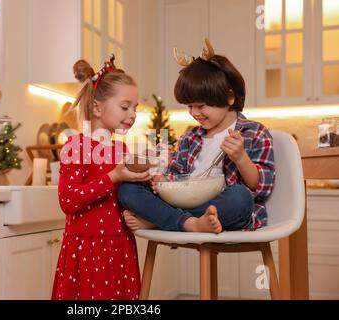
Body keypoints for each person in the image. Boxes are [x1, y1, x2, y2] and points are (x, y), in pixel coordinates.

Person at [118, 38, 275, 234]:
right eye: (190, 106)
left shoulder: (255, 133)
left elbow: (263, 187)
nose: (195, 113)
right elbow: (174, 173)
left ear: (229, 97)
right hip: (184, 200)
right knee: (127, 190)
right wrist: (164, 181)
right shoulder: (190, 137)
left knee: (240, 198)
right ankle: (189, 223)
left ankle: (161, 220)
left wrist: (241, 158)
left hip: (221, 208)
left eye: (201, 106)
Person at [51, 55, 150, 300]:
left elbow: (130, 197)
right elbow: (68, 200)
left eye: (135, 108)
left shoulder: (123, 150)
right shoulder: (77, 145)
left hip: (120, 247)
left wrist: (150, 181)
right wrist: (113, 176)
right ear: (97, 107)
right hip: (88, 251)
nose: (133, 114)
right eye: (125, 107)